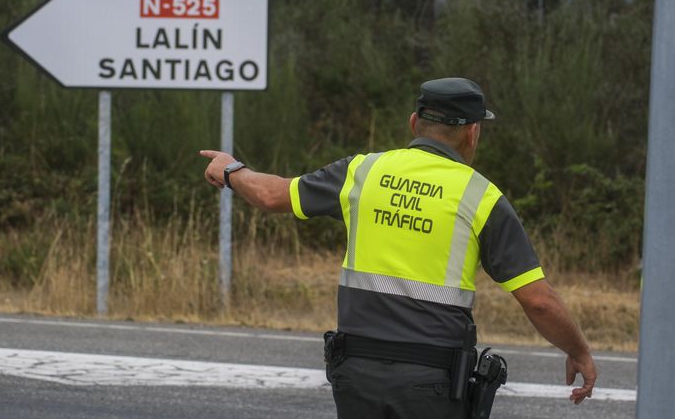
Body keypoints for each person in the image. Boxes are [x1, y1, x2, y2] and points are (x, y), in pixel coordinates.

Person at [200, 77, 597, 418]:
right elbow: (538, 302)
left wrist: (231, 170)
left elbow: (272, 195)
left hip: (355, 375)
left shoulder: (362, 172)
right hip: (432, 382)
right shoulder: (482, 198)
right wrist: (578, 350)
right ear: (473, 132)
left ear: (414, 123)